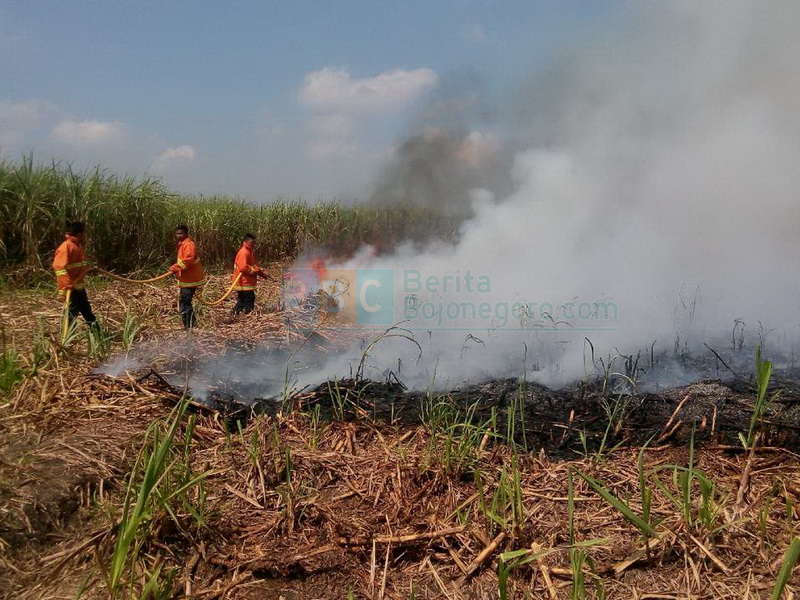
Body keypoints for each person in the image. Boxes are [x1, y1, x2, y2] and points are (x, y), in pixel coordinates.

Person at [52, 221, 97, 327]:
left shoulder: (76, 246)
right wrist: (68, 285)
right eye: (84, 233)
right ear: (79, 234)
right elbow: (59, 268)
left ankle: (99, 334)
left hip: (79, 287)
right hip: (72, 289)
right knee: (71, 315)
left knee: (87, 312)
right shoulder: (66, 247)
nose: (85, 236)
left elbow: (79, 265)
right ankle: (66, 339)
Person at [170, 225, 205, 329]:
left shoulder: (188, 244)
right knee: (185, 301)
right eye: (177, 233)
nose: (178, 235)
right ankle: (190, 325)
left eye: (180, 233)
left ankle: (190, 326)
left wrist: (175, 267)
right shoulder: (182, 244)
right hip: (187, 278)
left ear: (186, 234)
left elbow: (188, 260)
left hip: (190, 279)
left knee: (185, 302)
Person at [232, 233, 267, 315]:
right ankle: (247, 314)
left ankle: (236, 314)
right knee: (249, 299)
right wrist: (253, 271)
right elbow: (243, 267)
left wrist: (263, 275)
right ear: (245, 242)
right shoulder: (244, 252)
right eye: (252, 243)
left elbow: (253, 266)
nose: (254, 244)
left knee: (243, 300)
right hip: (244, 282)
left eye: (254, 243)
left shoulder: (249, 251)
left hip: (246, 282)